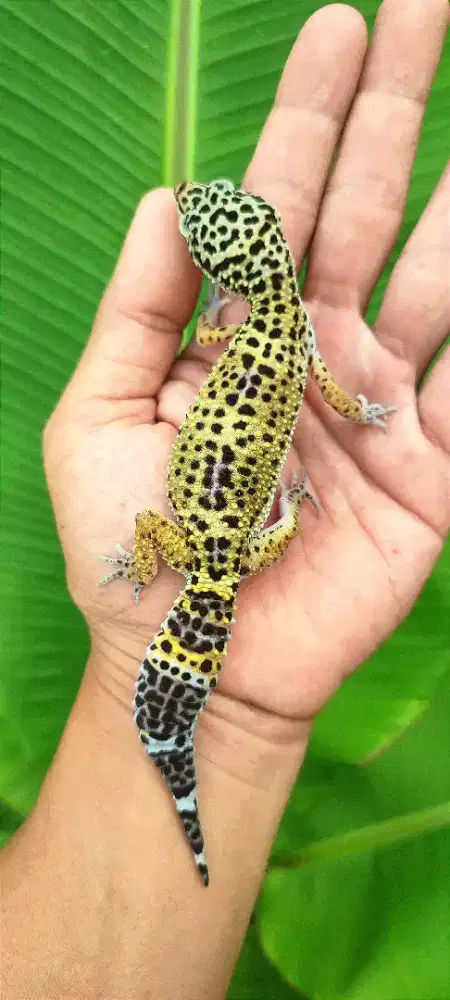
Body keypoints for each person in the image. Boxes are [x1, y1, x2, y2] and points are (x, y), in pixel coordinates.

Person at [2, 1, 449, 997]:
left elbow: (249, 361)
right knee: (225, 559)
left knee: (189, 565)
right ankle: (176, 747)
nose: (198, 203)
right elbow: (327, 392)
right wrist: (352, 431)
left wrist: (169, 562)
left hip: (207, 536)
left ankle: (176, 740)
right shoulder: (290, 345)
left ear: (225, 272)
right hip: (224, 537)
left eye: (210, 218)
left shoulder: (233, 337)